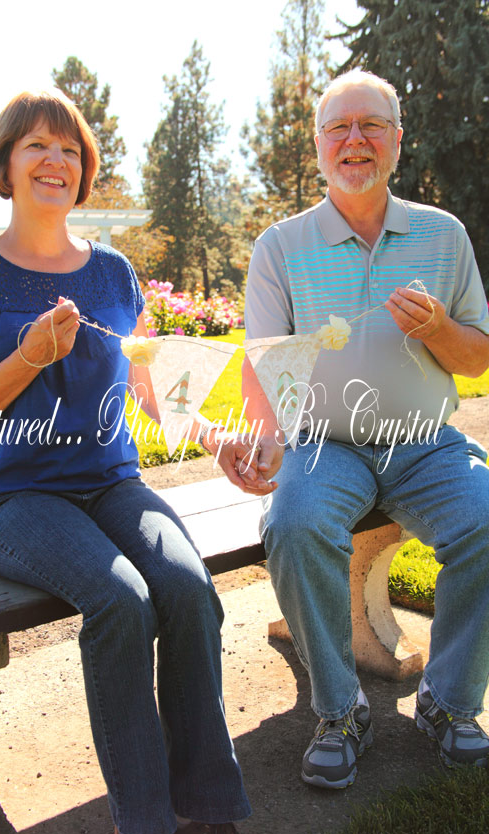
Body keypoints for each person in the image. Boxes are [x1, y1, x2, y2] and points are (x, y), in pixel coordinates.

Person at [0, 88, 269, 834]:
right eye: (37, 145)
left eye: (70, 150)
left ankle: (208, 814)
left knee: (187, 588)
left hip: (113, 485)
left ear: (83, 171)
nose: (56, 160)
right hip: (13, 499)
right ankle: (142, 831)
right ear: (5, 163)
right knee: (120, 599)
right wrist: (27, 358)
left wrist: (217, 439)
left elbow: (151, 386)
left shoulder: (113, 271)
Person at [242, 69, 489, 790]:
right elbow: (266, 363)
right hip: (324, 445)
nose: (355, 140)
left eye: (371, 125)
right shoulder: (281, 246)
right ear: (319, 145)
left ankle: (448, 701)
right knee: (293, 524)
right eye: (339, 128)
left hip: (424, 442)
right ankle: (340, 708)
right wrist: (267, 439)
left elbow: (477, 358)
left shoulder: (443, 235)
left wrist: (440, 330)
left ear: (397, 141)